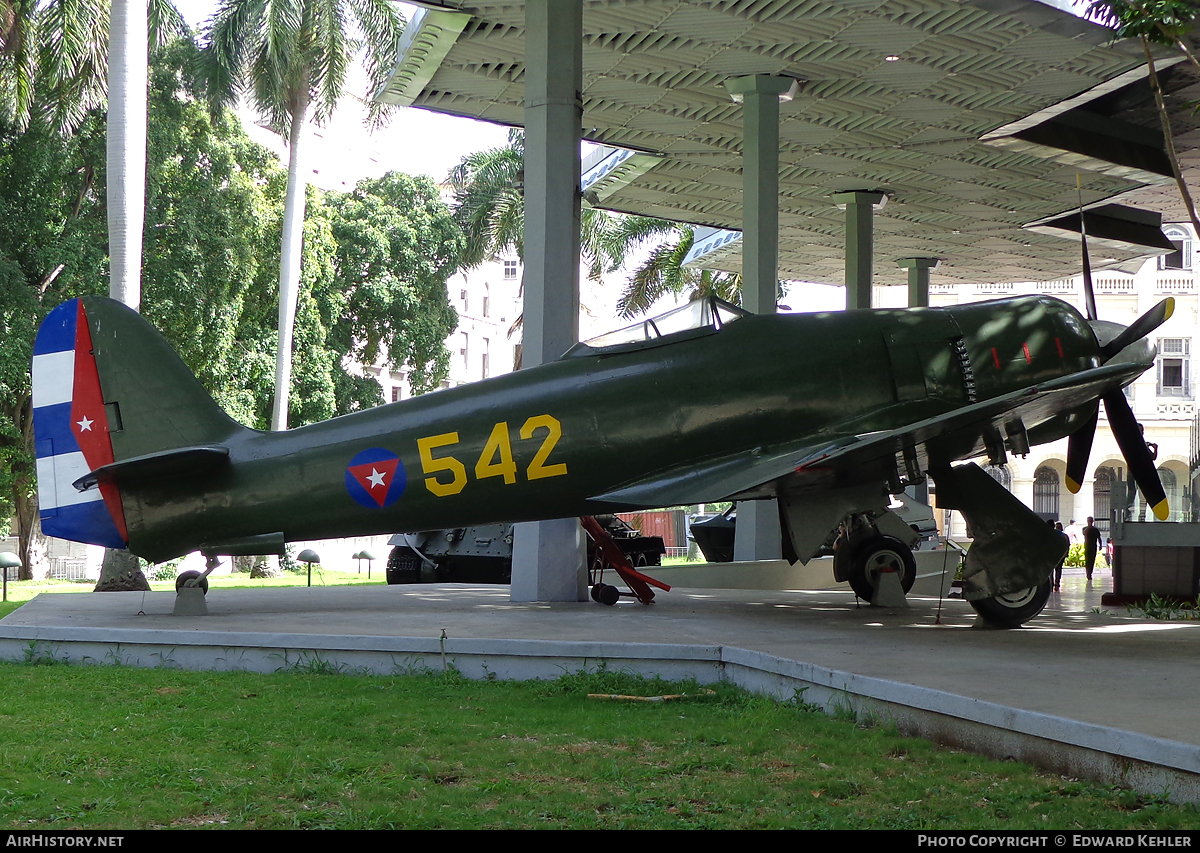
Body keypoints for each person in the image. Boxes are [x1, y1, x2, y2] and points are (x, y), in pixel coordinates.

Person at [1082, 516, 1103, 581]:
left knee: (1092, 560)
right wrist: (1089, 527)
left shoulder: (1095, 529)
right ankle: (1088, 573)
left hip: (1093, 546)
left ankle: (1090, 572)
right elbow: (1084, 534)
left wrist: (1100, 545)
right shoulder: (1085, 528)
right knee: (1087, 560)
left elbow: (1099, 538)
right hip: (1087, 546)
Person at [1050, 519, 1069, 591]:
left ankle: (1054, 583)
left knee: (1054, 570)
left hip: (1056, 555)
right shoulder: (1064, 536)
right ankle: (1056, 583)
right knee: (1058, 569)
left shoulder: (1054, 534)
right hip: (1059, 555)